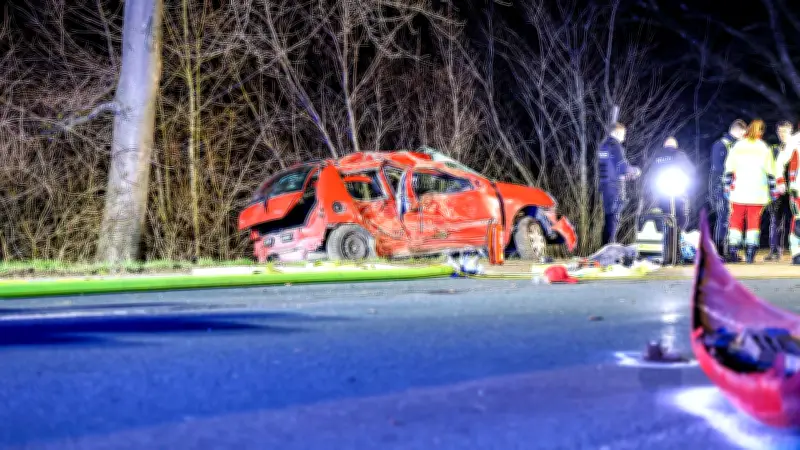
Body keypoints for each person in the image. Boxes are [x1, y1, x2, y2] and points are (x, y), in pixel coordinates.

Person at [723, 119, 777, 264]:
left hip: (738, 191)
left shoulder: (738, 146)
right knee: (754, 221)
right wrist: (773, 190)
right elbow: (771, 172)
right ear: (761, 132)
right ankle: (750, 252)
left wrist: (726, 186)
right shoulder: (764, 148)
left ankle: (733, 250)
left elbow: (729, 167)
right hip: (758, 192)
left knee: (736, 220)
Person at [598, 122, 641, 245]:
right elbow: (622, 167)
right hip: (615, 187)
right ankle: (610, 247)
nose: (624, 137)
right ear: (617, 132)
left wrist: (624, 175)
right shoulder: (616, 146)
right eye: (623, 134)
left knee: (609, 218)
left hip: (605, 186)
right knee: (614, 218)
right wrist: (636, 171)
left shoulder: (603, 145)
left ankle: (605, 247)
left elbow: (611, 167)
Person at [709, 119, 746, 257]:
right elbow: (718, 168)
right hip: (721, 186)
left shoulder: (736, 145)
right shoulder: (721, 144)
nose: (743, 136)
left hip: (734, 186)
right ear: (737, 130)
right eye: (742, 133)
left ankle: (731, 251)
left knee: (733, 219)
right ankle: (720, 252)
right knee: (723, 218)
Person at [644, 137, 696, 231]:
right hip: (677, 188)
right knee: (682, 212)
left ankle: (668, 231)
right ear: (675, 145)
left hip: (663, 189)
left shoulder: (658, 155)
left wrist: (653, 189)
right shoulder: (679, 154)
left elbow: (651, 173)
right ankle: (679, 231)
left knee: (665, 211)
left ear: (664, 145)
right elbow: (691, 170)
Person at [766, 121, 794, 261]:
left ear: (791, 132)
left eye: (785, 131)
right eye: (780, 131)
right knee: (776, 220)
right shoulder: (774, 149)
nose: (782, 134)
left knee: (797, 219)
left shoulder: (796, 147)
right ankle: (775, 251)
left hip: (794, 188)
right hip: (778, 189)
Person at [778, 131, 800, 265]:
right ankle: (797, 253)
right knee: (798, 222)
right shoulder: (795, 139)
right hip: (798, 189)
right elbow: (780, 161)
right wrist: (780, 181)